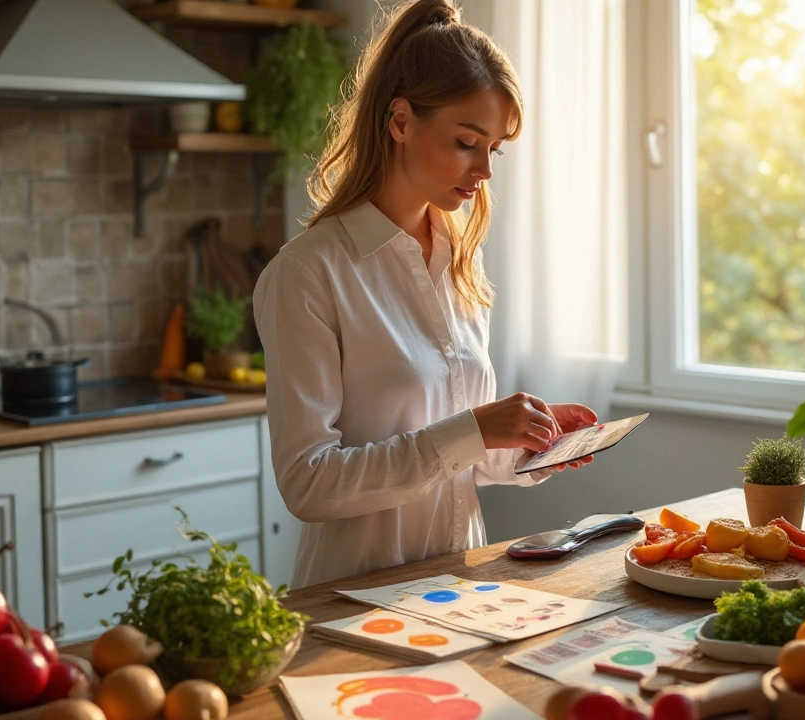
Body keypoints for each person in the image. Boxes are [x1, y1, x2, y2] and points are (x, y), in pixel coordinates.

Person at [253, 0, 599, 589]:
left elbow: (461, 460)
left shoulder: (461, 263)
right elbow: (307, 483)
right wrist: (474, 429)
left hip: (457, 588)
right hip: (352, 600)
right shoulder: (309, 273)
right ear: (401, 122)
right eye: (468, 141)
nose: (485, 169)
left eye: (495, 148)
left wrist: (527, 442)